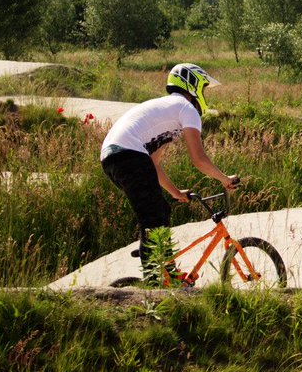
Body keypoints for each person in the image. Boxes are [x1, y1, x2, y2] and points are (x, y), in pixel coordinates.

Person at [100, 62, 238, 283]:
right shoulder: (186, 108)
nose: (203, 95)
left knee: (158, 209)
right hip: (128, 155)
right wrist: (225, 179)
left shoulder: (168, 108)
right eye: (202, 89)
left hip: (114, 157)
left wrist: (174, 192)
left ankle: (166, 274)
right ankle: (154, 281)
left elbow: (152, 164)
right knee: (153, 216)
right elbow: (199, 159)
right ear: (193, 87)